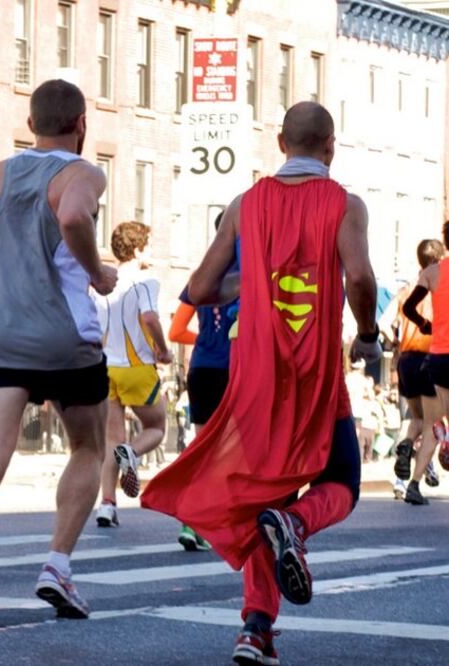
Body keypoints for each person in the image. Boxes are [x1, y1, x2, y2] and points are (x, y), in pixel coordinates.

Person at [141, 101, 380, 665]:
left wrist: (245, 282)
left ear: (280, 143)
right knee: (341, 479)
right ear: (330, 146)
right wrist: (367, 333)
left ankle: (255, 628)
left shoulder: (246, 204)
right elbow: (361, 277)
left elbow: (199, 288)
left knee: (260, 497)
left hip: (256, 375)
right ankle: (295, 523)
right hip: (316, 375)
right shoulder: (345, 204)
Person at [0, 79, 117, 655]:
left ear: (30, 122)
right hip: (63, 335)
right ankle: (57, 563)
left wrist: (1, 252)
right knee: (91, 446)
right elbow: (73, 218)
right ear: (81, 123)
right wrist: (97, 272)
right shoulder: (84, 173)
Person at [92, 221, 172, 528]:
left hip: (105, 366)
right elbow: (149, 317)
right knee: (156, 427)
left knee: (112, 438)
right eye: (148, 244)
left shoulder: (100, 280)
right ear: (138, 250)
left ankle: (107, 504)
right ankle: (133, 452)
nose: (151, 250)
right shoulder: (144, 281)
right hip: (136, 367)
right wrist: (163, 350)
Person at [166, 215, 237, 551]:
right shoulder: (253, 275)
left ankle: (189, 520)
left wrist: (208, 337)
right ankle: (209, 521)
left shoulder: (201, 278)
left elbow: (176, 332)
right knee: (229, 452)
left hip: (202, 368)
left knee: (202, 447)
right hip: (235, 370)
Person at [385, 239, 445, 497]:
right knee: (433, 422)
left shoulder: (408, 289)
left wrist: (412, 330)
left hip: (407, 360)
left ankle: (408, 454)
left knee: (419, 419)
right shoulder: (436, 284)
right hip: (430, 356)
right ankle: (418, 473)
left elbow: (388, 322)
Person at [401, 223, 449, 504]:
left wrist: (425, 325)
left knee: (432, 423)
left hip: (439, 358)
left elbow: (408, 307)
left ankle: (414, 485)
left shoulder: (432, 273)